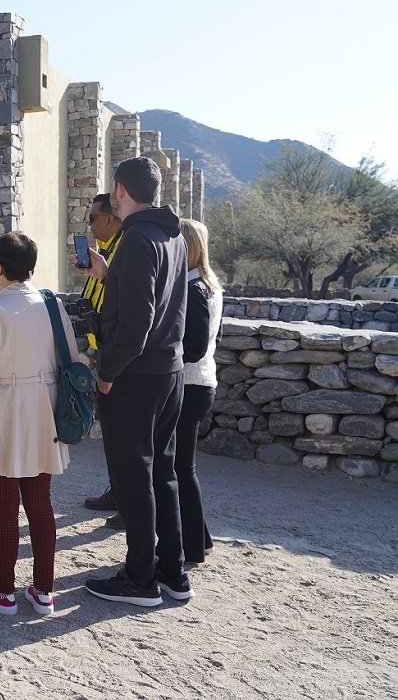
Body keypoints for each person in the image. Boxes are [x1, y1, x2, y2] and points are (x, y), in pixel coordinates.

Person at [78, 156, 189, 607]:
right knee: (162, 472)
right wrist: (108, 274)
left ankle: (140, 579)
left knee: (133, 477)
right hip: (169, 372)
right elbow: (158, 301)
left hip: (135, 376)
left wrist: (107, 372)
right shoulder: (170, 235)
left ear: (120, 190)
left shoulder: (139, 239)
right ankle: (171, 572)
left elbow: (138, 321)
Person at [0, 232, 81, 617]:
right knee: (40, 503)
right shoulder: (52, 305)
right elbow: (71, 356)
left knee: (4, 505)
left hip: (3, 408)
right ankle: (44, 590)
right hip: (44, 407)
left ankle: (3, 591)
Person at [174, 218, 221, 565]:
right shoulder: (211, 286)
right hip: (201, 383)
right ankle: (199, 538)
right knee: (183, 467)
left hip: (189, 384)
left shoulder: (193, 290)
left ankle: (190, 547)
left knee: (179, 469)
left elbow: (194, 348)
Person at [80, 194, 125, 517]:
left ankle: (126, 500)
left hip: (119, 353)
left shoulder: (124, 252)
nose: (90, 225)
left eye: (93, 218)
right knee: (113, 431)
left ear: (110, 218)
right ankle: (119, 491)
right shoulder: (107, 251)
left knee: (123, 432)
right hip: (104, 346)